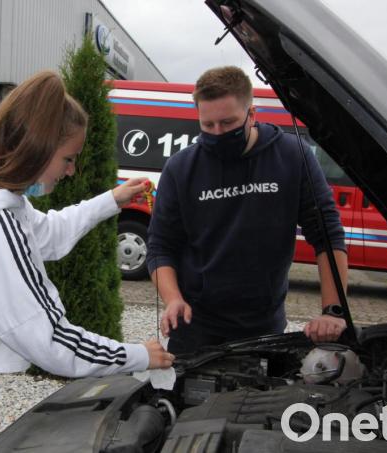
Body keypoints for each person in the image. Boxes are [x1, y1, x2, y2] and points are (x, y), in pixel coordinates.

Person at [0, 71, 174, 452]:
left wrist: (110, 200)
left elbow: (47, 235)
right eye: (68, 158)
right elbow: (49, 337)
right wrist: (138, 355)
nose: (71, 170)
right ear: (37, 149)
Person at [146, 66, 349, 354]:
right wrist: (173, 299)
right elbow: (160, 245)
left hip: (263, 324)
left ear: (252, 114)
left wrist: (333, 310)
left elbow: (326, 232)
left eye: (228, 123)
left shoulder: (293, 156)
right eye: (208, 126)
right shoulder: (181, 168)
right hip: (196, 325)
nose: (217, 133)